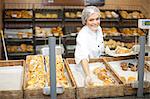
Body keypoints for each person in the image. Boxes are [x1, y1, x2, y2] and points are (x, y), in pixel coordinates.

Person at [75, 6, 105, 86]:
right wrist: (88, 75)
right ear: (85, 21)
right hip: (85, 69)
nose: (95, 22)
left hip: (97, 66)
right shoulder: (82, 35)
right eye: (91, 20)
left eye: (97, 19)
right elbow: (83, 57)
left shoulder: (99, 29)